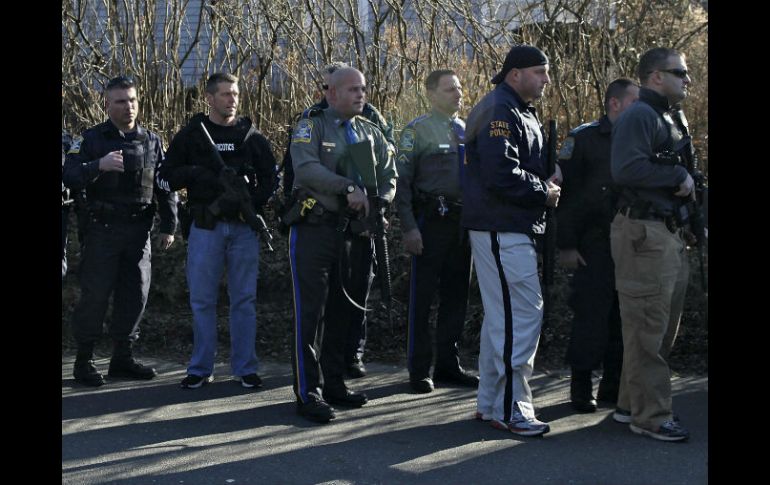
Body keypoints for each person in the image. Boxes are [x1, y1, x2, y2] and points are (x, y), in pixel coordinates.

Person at [461, 45, 560, 437]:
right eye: (539, 71)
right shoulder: (501, 108)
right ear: (515, 73)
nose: (546, 80)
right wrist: (544, 192)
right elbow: (502, 174)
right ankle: (511, 407)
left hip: (506, 226)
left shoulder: (512, 108)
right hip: (502, 227)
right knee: (521, 316)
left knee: (503, 318)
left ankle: (491, 402)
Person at [288, 67, 397, 423]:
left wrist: (378, 202)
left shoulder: (370, 131)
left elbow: (389, 174)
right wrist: (347, 187)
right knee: (311, 315)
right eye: (352, 89)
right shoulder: (312, 125)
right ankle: (309, 393)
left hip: (355, 235)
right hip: (315, 230)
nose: (360, 95)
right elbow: (305, 169)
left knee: (343, 312)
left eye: (363, 89)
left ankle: (334, 383)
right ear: (331, 93)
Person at [157, 73, 277, 390]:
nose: (232, 99)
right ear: (209, 98)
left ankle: (245, 368)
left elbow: (273, 180)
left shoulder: (251, 136)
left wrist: (250, 201)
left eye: (235, 93)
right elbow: (165, 178)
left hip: (243, 228)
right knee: (202, 301)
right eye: (225, 94)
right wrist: (198, 175)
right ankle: (200, 368)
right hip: (205, 226)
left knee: (244, 300)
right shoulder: (192, 136)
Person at [63, 76, 178, 387]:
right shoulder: (91, 139)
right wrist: (97, 165)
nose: (129, 107)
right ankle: (84, 360)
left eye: (132, 100)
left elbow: (164, 185)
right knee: (95, 296)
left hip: (139, 231)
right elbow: (69, 174)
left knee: (136, 296)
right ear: (107, 105)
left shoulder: (151, 140)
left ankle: (122, 358)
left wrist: (169, 224)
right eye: (120, 101)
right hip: (103, 230)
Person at [609, 47, 694, 442]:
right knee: (648, 329)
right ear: (655, 77)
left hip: (666, 233)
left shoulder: (669, 115)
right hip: (644, 234)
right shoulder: (641, 115)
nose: (687, 79)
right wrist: (675, 173)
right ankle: (653, 417)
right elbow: (625, 168)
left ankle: (631, 405)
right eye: (680, 72)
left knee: (657, 330)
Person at [556, 78, 640, 412]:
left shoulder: (640, 140)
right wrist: (565, 245)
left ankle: (612, 387)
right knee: (590, 317)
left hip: (631, 242)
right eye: (635, 102)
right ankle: (580, 387)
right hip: (593, 243)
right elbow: (565, 197)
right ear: (615, 104)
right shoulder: (585, 138)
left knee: (624, 317)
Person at [395, 69, 478, 394]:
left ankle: (448, 365)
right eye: (449, 90)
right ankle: (419, 369)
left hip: (461, 225)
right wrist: (409, 227)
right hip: (430, 223)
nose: (457, 95)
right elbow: (400, 183)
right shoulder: (416, 132)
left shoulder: (466, 129)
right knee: (423, 298)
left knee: (457, 297)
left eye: (459, 88)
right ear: (431, 94)